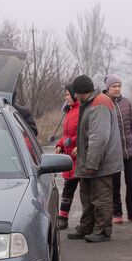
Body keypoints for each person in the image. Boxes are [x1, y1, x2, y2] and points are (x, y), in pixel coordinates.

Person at [63, 75, 122, 243]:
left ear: (80, 92)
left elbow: (99, 138)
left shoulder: (99, 103)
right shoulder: (89, 102)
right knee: (87, 196)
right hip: (90, 161)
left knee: (100, 196)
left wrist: (91, 163)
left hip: (100, 162)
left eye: (75, 93)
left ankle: (103, 230)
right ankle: (86, 227)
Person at [103, 75, 132, 224]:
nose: (117, 89)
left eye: (119, 86)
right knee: (115, 184)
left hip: (130, 150)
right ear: (108, 88)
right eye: (114, 86)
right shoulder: (104, 103)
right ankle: (117, 213)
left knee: (131, 182)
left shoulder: (126, 102)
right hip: (113, 151)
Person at [53, 87, 81, 228]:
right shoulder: (69, 112)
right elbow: (66, 134)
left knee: (85, 192)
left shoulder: (81, 111)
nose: (65, 98)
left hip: (80, 157)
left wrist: (79, 145)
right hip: (69, 157)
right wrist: (60, 144)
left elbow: (84, 132)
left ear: (75, 95)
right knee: (67, 190)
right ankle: (63, 218)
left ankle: (87, 221)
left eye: (67, 95)